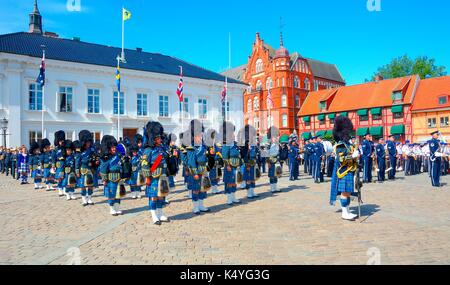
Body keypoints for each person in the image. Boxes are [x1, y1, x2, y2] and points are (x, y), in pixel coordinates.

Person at [330, 116, 359, 221]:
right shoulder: (341, 145)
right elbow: (342, 159)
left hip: (349, 170)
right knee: (345, 192)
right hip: (344, 171)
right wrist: (353, 156)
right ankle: (344, 213)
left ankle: (347, 210)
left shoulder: (347, 144)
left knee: (348, 192)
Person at [141, 121, 170, 225]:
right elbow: (144, 165)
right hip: (153, 176)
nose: (160, 140)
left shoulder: (161, 148)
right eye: (157, 138)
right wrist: (147, 177)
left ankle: (160, 213)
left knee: (161, 196)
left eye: (160, 137)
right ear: (152, 138)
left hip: (162, 176)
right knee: (153, 196)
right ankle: (154, 216)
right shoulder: (148, 150)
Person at [99, 135, 125, 216]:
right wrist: (104, 180)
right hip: (110, 179)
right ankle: (112, 209)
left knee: (118, 194)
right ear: (108, 148)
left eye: (114, 147)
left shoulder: (118, 155)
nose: (114, 148)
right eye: (112, 147)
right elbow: (103, 170)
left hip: (118, 178)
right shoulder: (106, 158)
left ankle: (117, 208)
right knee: (112, 194)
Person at [221, 121, 242, 205]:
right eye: (231, 133)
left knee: (234, 182)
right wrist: (227, 165)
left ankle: (233, 197)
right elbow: (224, 156)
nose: (233, 135)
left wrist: (239, 164)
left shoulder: (235, 144)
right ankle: (229, 198)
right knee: (229, 182)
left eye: (233, 133)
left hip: (235, 166)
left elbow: (238, 155)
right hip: (229, 166)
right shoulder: (226, 144)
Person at [77, 130, 97, 206]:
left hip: (91, 169)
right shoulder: (80, 150)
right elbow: (77, 162)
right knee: (83, 186)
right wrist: (77, 171)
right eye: (87, 142)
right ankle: (84, 199)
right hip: (83, 170)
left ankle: (89, 198)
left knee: (90, 185)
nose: (88, 143)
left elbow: (95, 158)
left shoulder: (92, 149)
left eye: (89, 141)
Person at [239, 125, 259, 199]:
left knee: (253, 178)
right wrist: (246, 163)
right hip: (247, 163)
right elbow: (243, 154)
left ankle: (252, 191)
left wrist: (257, 162)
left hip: (253, 162)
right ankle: (249, 193)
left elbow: (256, 153)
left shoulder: (253, 143)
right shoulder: (244, 144)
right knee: (248, 179)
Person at [267, 127, 282, 193]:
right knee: (271, 175)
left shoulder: (277, 144)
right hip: (271, 161)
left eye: (276, 136)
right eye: (274, 137)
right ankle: (272, 188)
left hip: (277, 161)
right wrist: (268, 162)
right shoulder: (268, 144)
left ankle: (275, 187)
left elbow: (280, 153)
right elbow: (265, 154)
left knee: (276, 174)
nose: (275, 138)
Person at [52, 131, 66, 197]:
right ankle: (60, 189)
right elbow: (53, 158)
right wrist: (53, 166)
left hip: (65, 164)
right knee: (60, 177)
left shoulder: (65, 147)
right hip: (59, 164)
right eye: (60, 141)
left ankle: (64, 189)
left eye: (62, 140)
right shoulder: (55, 149)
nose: (61, 142)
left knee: (65, 177)